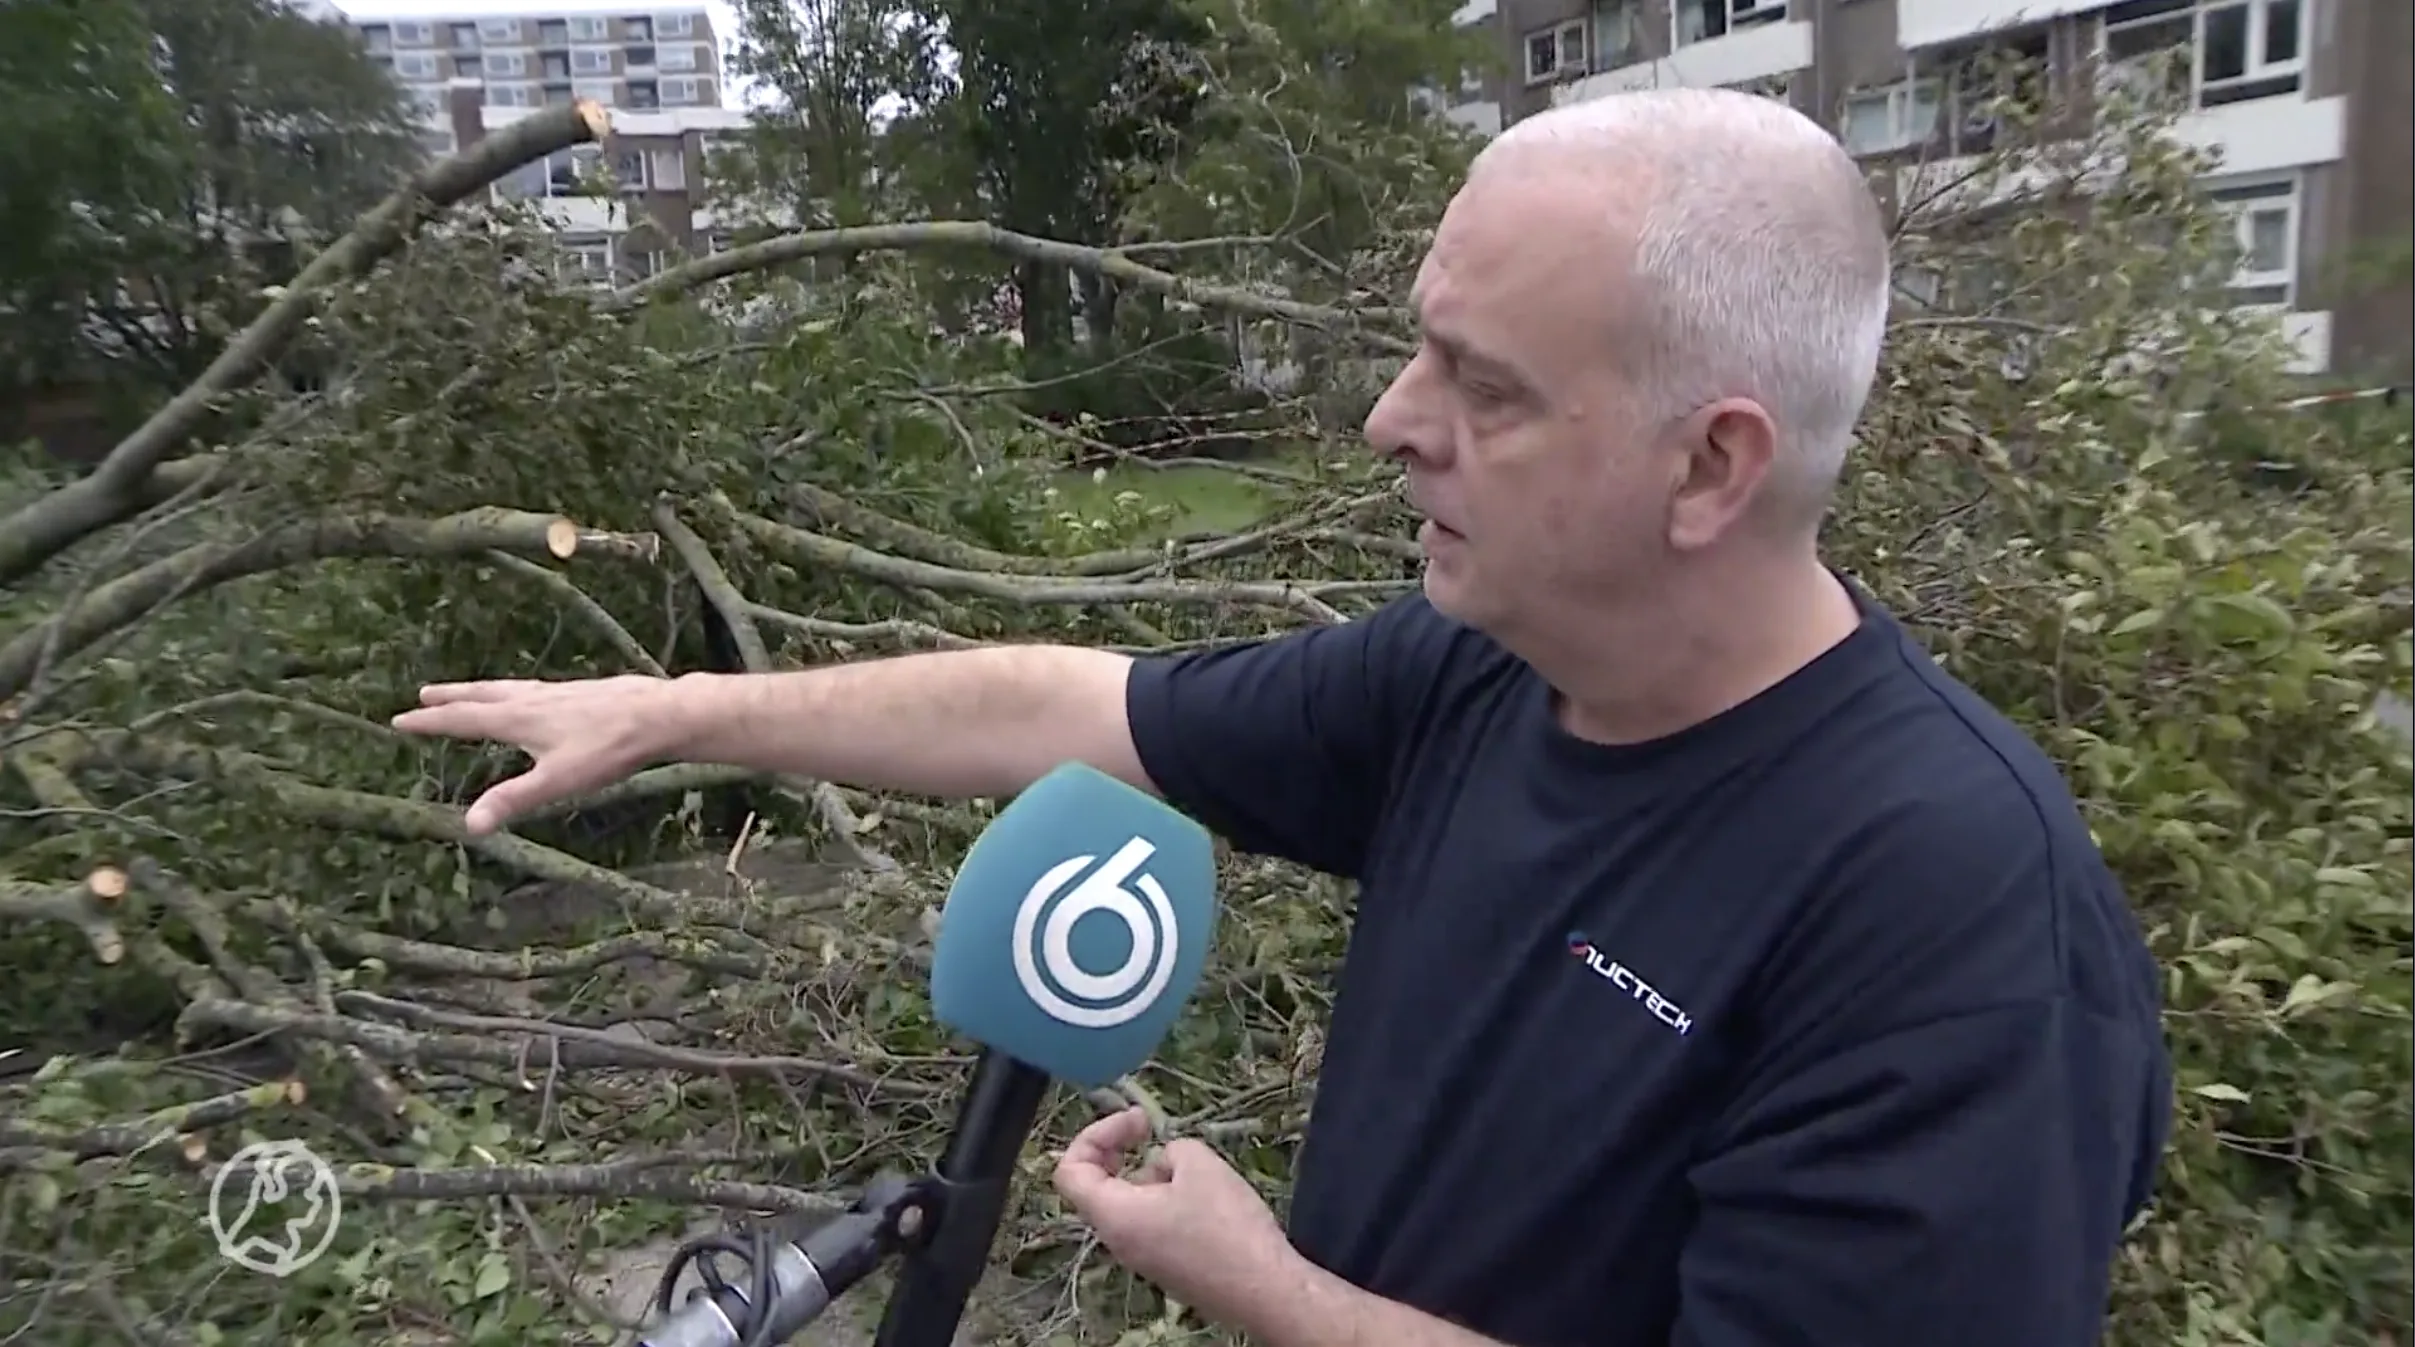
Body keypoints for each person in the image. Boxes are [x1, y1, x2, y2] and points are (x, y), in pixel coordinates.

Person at [394, 88, 2173, 1347]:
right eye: (1419, 349)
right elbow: (1071, 706)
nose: (1391, 422)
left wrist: (1271, 1292)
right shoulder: (1474, 672)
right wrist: (686, 708)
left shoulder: (1954, 920)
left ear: (1709, 464)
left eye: (1480, 385)